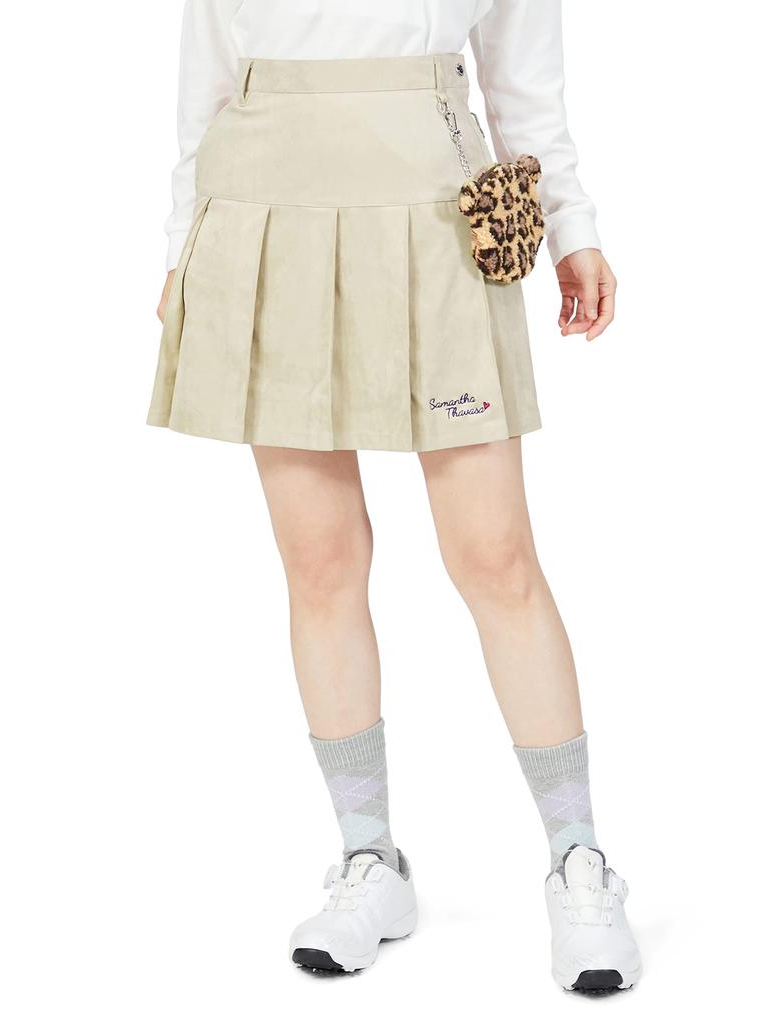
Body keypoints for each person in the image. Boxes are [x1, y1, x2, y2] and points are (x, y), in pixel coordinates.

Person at [148, 0, 642, 992]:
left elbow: (522, 87)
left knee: (494, 557)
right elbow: (205, 87)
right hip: (262, 216)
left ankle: (578, 861)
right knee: (319, 560)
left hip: (435, 220)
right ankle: (369, 858)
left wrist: (573, 228)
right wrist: (177, 251)